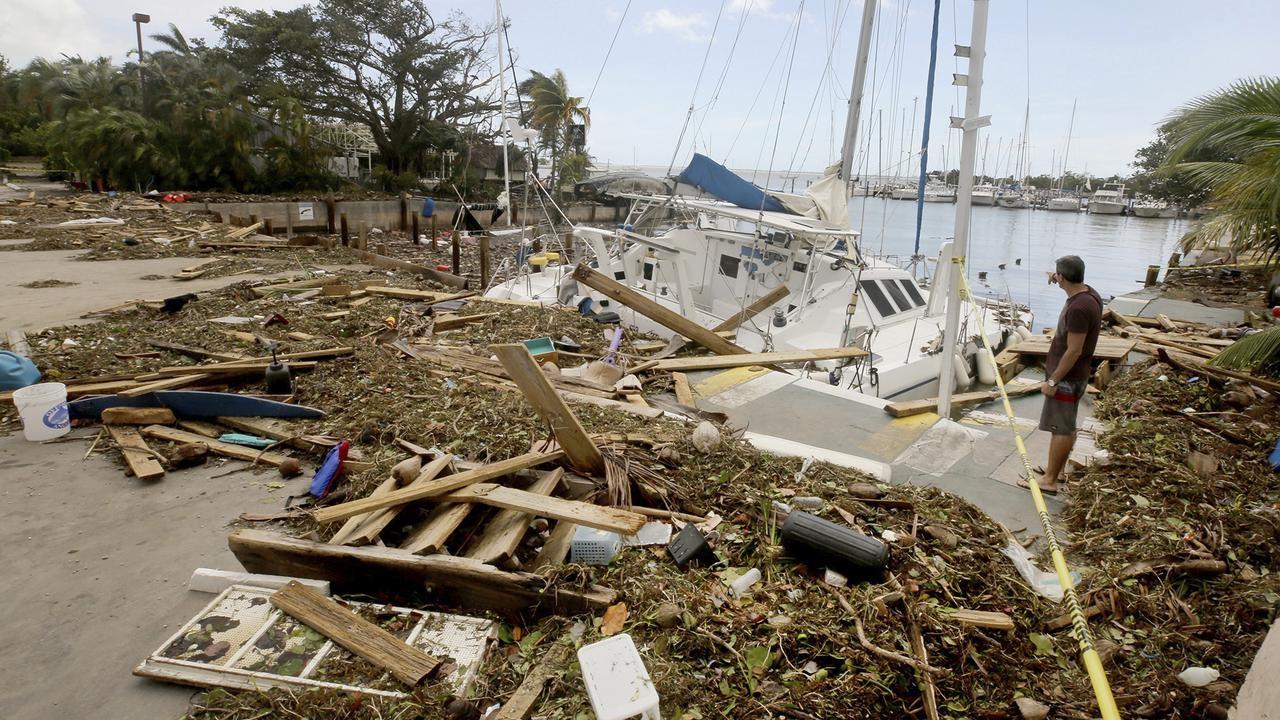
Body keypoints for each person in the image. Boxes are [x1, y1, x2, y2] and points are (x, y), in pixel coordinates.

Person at [1021, 255, 1103, 495]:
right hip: (1077, 375)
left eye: (1057, 274)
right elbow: (1068, 282)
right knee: (1066, 426)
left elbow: (1074, 349)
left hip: (1066, 379)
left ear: (1063, 277)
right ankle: (1056, 471)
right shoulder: (1090, 294)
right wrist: (1055, 277)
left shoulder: (1078, 308)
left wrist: (1053, 380)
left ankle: (1049, 481)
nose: (1055, 277)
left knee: (1061, 429)